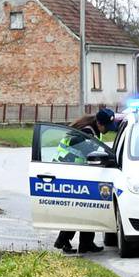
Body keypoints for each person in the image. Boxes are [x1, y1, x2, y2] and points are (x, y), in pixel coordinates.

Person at [52, 106, 118, 254]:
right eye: (107, 127)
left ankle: (79, 242)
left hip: (74, 171)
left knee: (84, 208)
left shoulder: (90, 129)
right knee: (83, 208)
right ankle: (69, 241)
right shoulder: (86, 133)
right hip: (70, 173)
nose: (107, 130)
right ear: (100, 123)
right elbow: (90, 152)